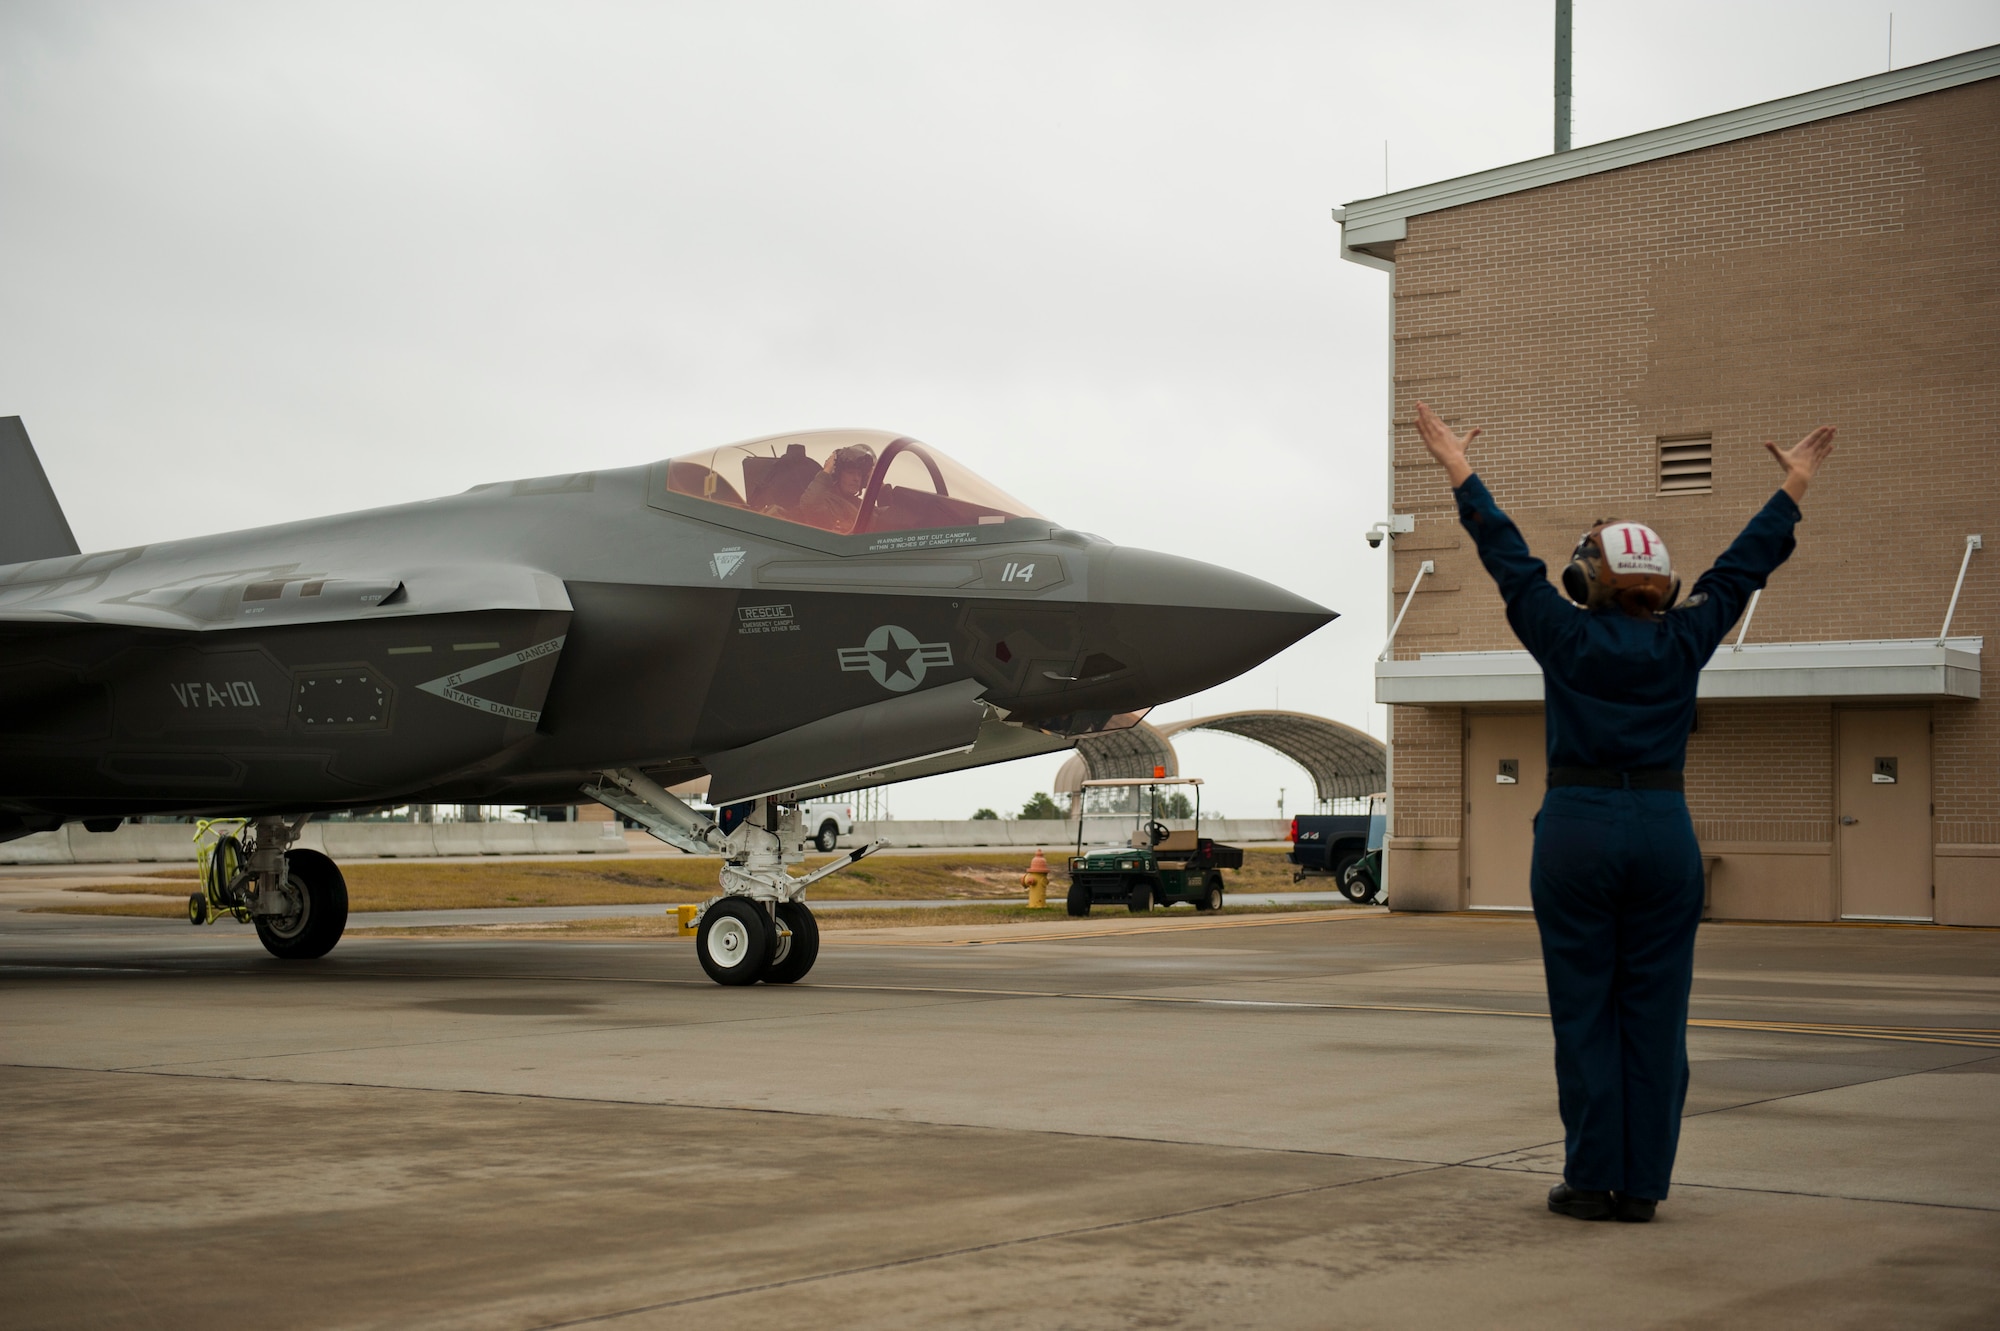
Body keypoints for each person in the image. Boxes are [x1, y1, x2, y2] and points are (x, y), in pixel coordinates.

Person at [1412, 401, 1837, 1224]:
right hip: (1664, 827)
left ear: (1588, 580)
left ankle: (1592, 1175)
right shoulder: (1687, 638)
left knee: (1586, 1010)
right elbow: (1741, 570)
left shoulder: (1563, 636)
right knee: (1656, 1012)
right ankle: (1642, 1185)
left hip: (1577, 822)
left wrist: (1459, 469)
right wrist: (1792, 485)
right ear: (1662, 583)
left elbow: (1508, 560)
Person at [790, 443, 878, 533]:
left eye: (859, 474)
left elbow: (886, 519)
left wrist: (878, 482)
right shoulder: (828, 502)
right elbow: (810, 504)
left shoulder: (862, 505)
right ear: (838, 475)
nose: (856, 479)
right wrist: (827, 471)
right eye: (850, 473)